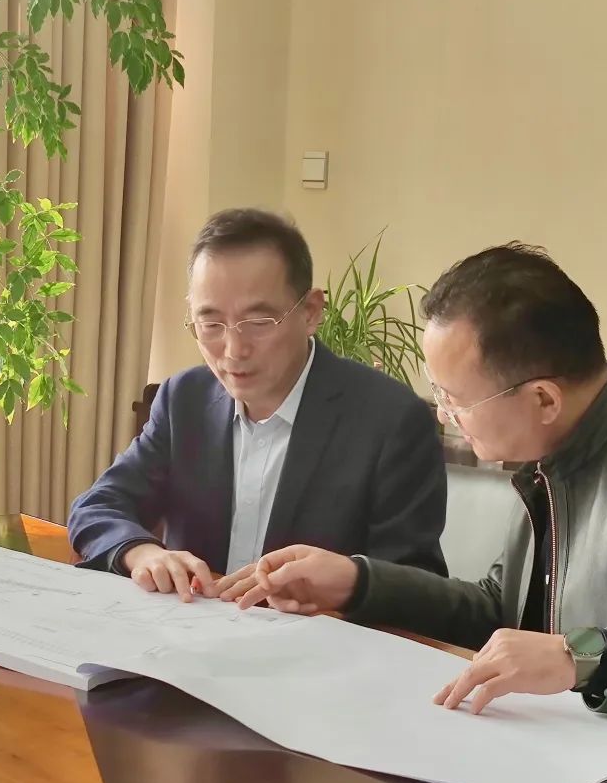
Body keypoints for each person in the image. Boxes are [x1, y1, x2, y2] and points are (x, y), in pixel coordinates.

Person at [239, 242, 607, 721]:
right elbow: (499, 609)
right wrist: (357, 582)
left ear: (544, 399)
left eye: (455, 399)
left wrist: (581, 657)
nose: (444, 414)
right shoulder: (554, 451)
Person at [69, 208, 447, 602]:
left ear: (311, 312)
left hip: (313, 636)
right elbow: (97, 506)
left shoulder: (391, 420)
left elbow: (417, 587)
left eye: (259, 322)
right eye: (211, 324)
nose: (234, 350)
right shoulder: (184, 399)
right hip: (186, 628)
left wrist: (341, 596)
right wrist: (141, 552)